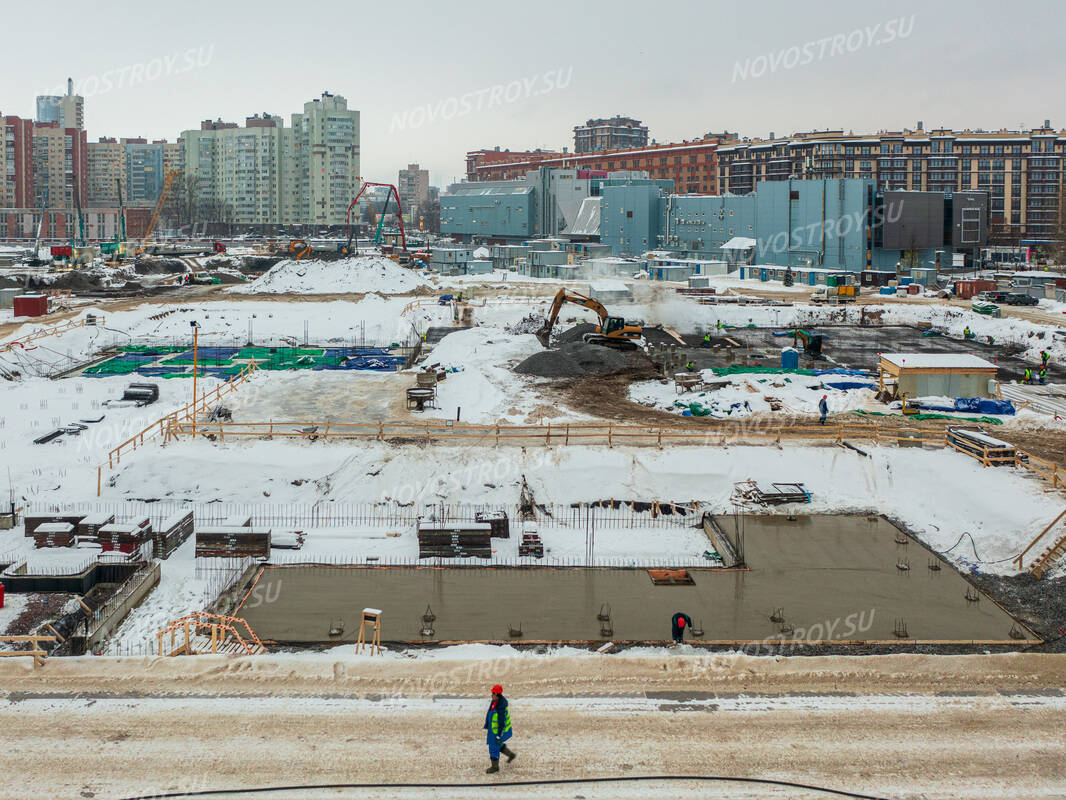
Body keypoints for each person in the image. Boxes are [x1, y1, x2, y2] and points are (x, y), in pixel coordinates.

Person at [483, 684, 515, 773]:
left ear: (497, 695)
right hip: (492, 730)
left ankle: (495, 767)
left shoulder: (501, 708)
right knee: (498, 745)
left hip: (496, 732)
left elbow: (501, 723)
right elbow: (490, 711)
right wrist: (487, 723)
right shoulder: (494, 701)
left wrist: (498, 736)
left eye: (493, 693)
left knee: (493, 747)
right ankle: (511, 755)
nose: (491, 695)